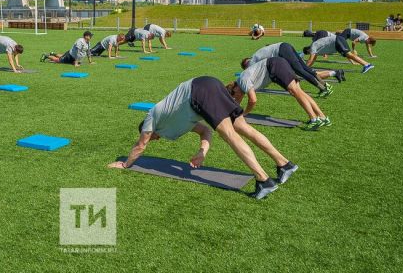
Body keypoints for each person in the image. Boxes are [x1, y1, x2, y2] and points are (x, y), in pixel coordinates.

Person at [107, 76, 298, 199]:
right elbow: (205, 131)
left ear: (147, 130)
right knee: (242, 127)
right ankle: (284, 164)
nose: (154, 139)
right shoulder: (171, 129)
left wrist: (125, 164)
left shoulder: (151, 117)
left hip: (198, 92)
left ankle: (264, 180)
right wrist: (202, 152)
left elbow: (140, 146)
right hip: (209, 84)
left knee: (230, 135)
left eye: (151, 136)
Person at [228, 57, 330, 131]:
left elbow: (253, 100)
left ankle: (314, 119)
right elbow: (238, 101)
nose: (237, 98)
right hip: (277, 66)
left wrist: (245, 113)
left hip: (275, 66)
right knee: (297, 92)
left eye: (233, 96)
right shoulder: (240, 85)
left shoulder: (242, 80)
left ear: (234, 89)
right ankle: (322, 117)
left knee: (296, 91)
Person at [241, 42, 345, 97]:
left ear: (246, 65)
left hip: (282, 50)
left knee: (300, 71)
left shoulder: (252, 62)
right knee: (304, 68)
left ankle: (323, 88)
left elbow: (257, 75)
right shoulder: (255, 55)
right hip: (285, 46)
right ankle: (325, 85)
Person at [303, 34, 374, 73]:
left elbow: (310, 60)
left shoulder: (313, 46)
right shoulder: (316, 48)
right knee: (348, 55)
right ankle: (366, 64)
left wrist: (303, 69)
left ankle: (367, 64)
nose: (310, 53)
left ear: (308, 50)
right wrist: (307, 68)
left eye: (309, 53)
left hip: (337, 41)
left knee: (349, 55)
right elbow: (313, 60)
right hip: (337, 42)